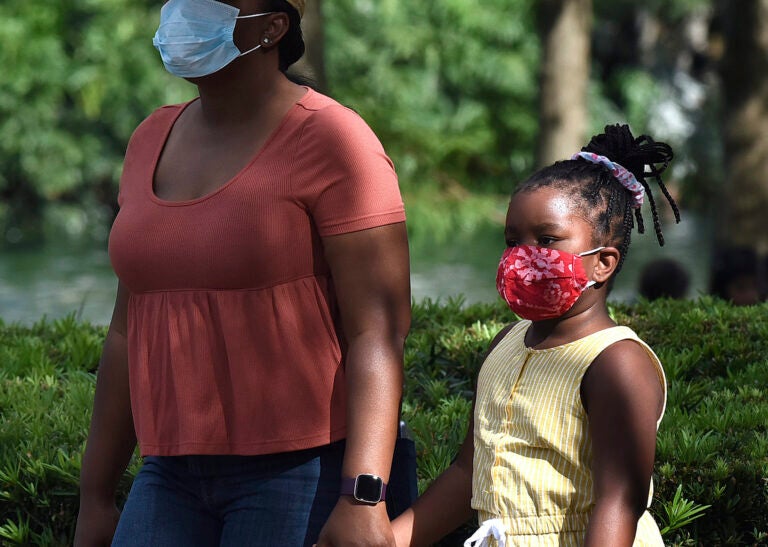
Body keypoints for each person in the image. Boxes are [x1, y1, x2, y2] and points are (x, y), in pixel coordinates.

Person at [74, 1, 411, 545]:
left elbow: (379, 329)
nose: (183, 13)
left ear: (273, 26)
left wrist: (363, 495)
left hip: (303, 471)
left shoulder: (335, 140)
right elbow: (126, 331)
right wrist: (95, 495)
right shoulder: (149, 138)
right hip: (170, 471)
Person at [391, 124, 680, 546]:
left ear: (603, 262)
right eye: (513, 241)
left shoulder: (616, 363)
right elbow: (467, 473)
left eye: (547, 239)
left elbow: (618, 504)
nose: (524, 256)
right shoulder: (505, 344)